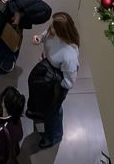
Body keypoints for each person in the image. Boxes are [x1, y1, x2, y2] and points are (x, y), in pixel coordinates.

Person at [31, 12, 80, 146]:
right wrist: (39, 39)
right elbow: (45, 35)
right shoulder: (53, 31)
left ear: (62, 31)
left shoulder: (69, 55)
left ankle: (54, 136)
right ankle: (42, 113)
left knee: (54, 109)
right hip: (49, 70)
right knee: (45, 102)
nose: (50, 27)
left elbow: (69, 82)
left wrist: (53, 82)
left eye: (53, 26)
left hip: (59, 80)